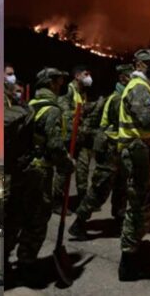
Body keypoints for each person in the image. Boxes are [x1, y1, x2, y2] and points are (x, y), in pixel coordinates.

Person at [17, 67, 75, 284]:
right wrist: (67, 164)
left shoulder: (28, 106)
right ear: (50, 83)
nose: (61, 85)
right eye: (59, 81)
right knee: (37, 219)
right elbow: (54, 146)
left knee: (20, 215)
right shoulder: (52, 110)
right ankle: (27, 263)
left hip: (22, 169)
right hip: (40, 171)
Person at [116, 49, 150, 281]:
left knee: (143, 202)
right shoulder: (139, 87)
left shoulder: (146, 86)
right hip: (139, 154)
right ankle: (128, 262)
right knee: (137, 205)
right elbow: (147, 121)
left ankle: (133, 252)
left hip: (146, 153)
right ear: (138, 64)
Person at [69, 63, 134, 240]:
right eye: (131, 76)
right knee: (100, 189)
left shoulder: (123, 97)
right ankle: (79, 223)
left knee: (122, 187)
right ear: (123, 78)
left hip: (119, 149)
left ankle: (119, 220)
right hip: (109, 150)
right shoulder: (117, 99)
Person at [53, 65, 93, 215]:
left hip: (81, 138)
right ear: (77, 76)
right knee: (64, 170)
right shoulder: (68, 90)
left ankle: (82, 201)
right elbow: (65, 112)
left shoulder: (82, 92)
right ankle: (57, 201)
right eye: (86, 74)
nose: (89, 77)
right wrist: (84, 110)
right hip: (68, 138)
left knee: (82, 170)